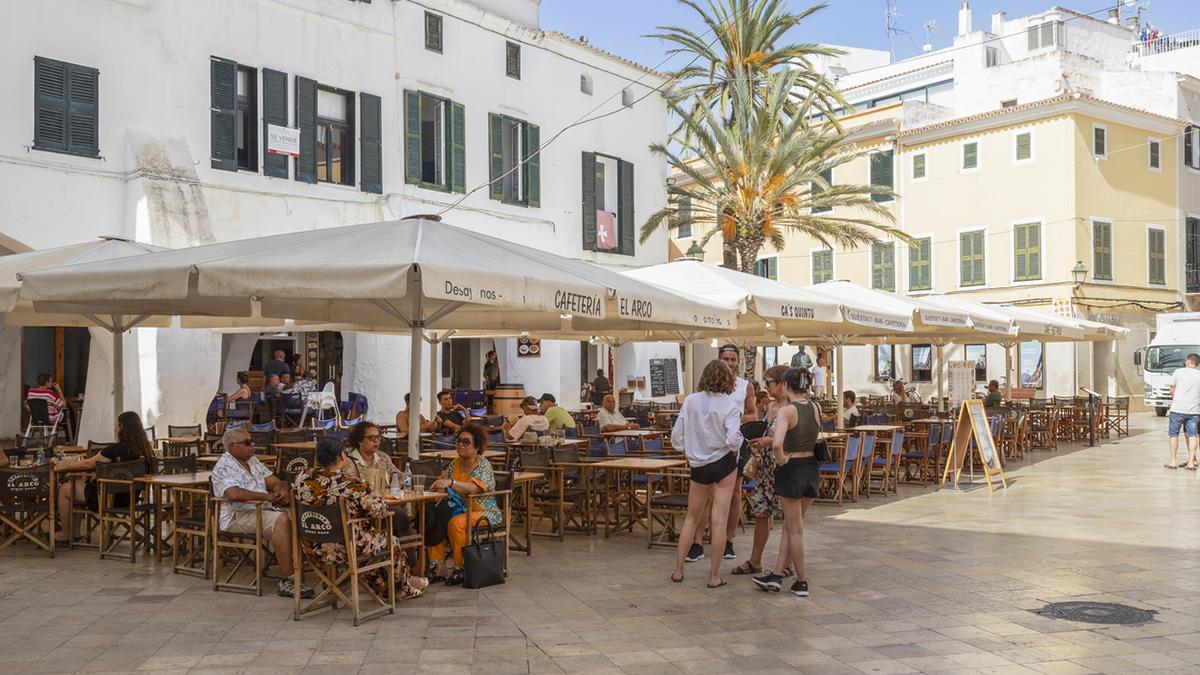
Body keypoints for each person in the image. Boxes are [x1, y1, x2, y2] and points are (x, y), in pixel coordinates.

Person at [295, 438, 428, 599]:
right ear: (343, 456)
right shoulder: (351, 484)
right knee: (390, 543)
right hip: (346, 548)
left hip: (312, 546)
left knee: (372, 543)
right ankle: (402, 587)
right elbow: (379, 510)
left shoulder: (302, 478)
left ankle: (390, 589)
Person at [211, 427, 312, 598]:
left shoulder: (252, 461)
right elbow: (233, 494)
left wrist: (281, 490)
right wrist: (268, 497)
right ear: (232, 447)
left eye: (252, 441)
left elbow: (274, 481)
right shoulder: (224, 466)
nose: (253, 445)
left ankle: (314, 565)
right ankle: (290, 579)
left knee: (302, 515)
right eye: (248, 443)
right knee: (282, 520)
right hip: (237, 516)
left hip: (262, 510)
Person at [670, 360, 743, 588]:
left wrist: (689, 448)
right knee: (719, 520)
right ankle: (713, 576)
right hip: (723, 463)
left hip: (698, 464)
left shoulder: (690, 400)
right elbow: (732, 440)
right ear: (727, 380)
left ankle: (678, 570)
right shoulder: (730, 405)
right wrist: (739, 442)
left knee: (691, 518)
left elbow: (676, 437)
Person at [753, 368, 820, 597]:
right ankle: (778, 574)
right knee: (792, 526)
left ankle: (802, 580)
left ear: (786, 385)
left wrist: (781, 461)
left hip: (792, 470)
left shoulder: (787, 411)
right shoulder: (815, 407)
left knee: (795, 529)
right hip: (811, 468)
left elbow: (777, 443)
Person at [687, 344, 756, 564]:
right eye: (725, 358)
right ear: (719, 360)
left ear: (738, 362)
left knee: (734, 495)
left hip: (735, 446)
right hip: (708, 446)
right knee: (704, 497)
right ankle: (697, 542)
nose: (729, 362)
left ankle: (728, 540)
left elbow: (754, 414)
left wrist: (734, 419)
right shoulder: (706, 387)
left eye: (733, 359)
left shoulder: (745, 387)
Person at [52, 411, 155, 545]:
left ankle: (66, 533)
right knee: (76, 483)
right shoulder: (146, 451)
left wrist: (65, 466)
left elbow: (88, 463)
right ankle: (75, 532)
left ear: (122, 427)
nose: (116, 428)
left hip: (106, 498)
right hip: (130, 498)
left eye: (118, 424)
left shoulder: (115, 449)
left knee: (66, 489)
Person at [733, 365, 794, 578]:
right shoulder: (771, 407)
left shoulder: (793, 407)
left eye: (768, 382)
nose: (766, 386)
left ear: (781, 383)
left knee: (789, 518)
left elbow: (795, 439)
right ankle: (755, 560)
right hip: (766, 469)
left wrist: (770, 441)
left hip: (783, 468)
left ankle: (787, 563)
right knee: (761, 514)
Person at [427, 423, 503, 586]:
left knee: (457, 523)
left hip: (486, 512)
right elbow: (442, 481)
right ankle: (438, 566)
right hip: (460, 509)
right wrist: (439, 490)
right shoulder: (455, 463)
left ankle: (461, 568)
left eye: (466, 442)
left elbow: (474, 488)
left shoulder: (482, 464)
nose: (460, 444)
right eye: (459, 441)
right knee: (433, 516)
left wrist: (452, 484)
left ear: (477, 447)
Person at [1166, 353, 1200, 470]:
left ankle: (1173, 461)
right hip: (1194, 411)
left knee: (1173, 434)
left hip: (1177, 409)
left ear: (1188, 361)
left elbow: (1171, 390)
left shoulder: (1178, 372)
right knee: (1192, 435)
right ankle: (1191, 462)